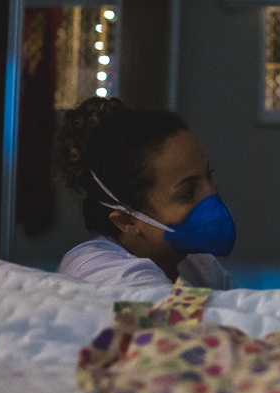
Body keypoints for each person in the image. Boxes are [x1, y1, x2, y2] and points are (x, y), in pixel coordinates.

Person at [54, 96, 236, 290]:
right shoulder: (97, 270)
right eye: (189, 192)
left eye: (208, 175)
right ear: (127, 220)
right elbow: (172, 308)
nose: (211, 193)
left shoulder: (198, 263)